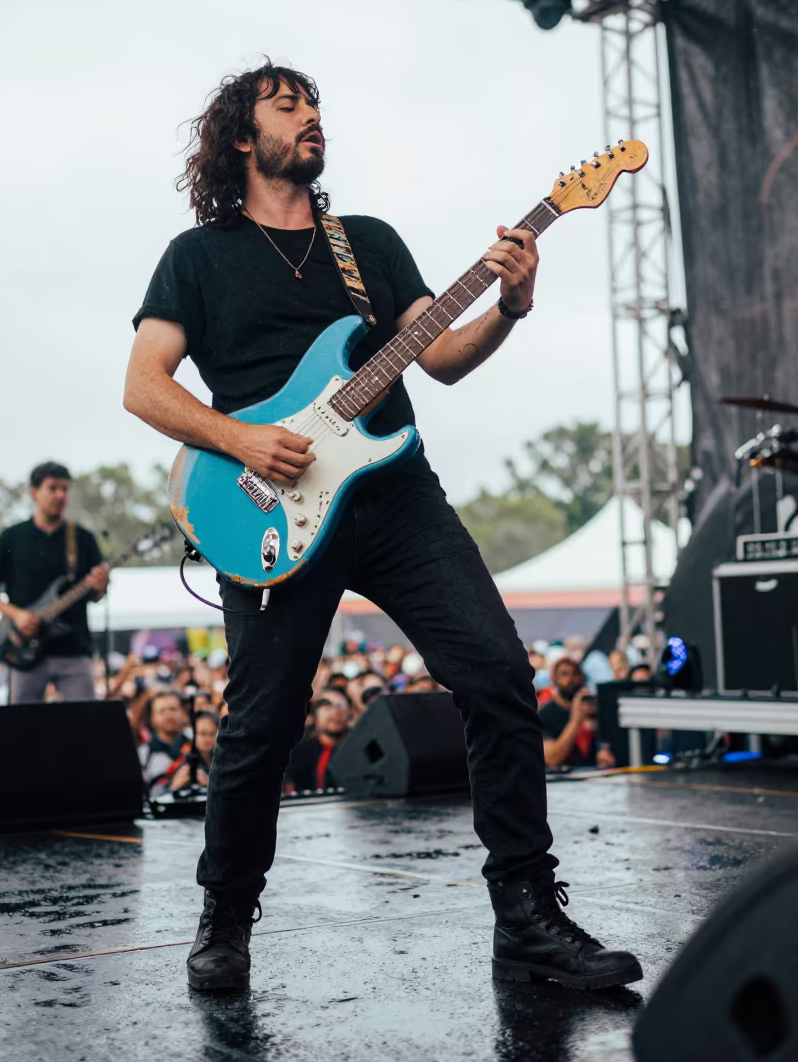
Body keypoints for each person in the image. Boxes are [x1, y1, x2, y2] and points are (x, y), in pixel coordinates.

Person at [123, 60, 641, 993]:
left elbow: (438, 357)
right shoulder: (196, 258)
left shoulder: (366, 243)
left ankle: (526, 914)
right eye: (289, 107)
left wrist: (513, 306)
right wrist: (242, 436)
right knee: (262, 725)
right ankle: (226, 916)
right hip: (270, 511)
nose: (312, 119)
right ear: (243, 137)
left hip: (397, 494)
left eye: (317, 105)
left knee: (496, 673)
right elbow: (144, 386)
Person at [0, 462, 108, 703]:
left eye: (65, 489)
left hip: (74, 648)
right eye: (53, 488)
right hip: (24, 649)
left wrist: (100, 585)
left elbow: (96, 596)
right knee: (23, 725)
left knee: (86, 724)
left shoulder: (82, 538)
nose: (61, 495)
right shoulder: (13, 537)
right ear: (34, 492)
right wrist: (16, 615)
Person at [539, 658, 616, 770]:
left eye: (575, 674)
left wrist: (603, 751)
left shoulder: (593, 710)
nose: (570, 679)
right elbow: (551, 759)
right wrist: (575, 719)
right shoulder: (545, 715)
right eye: (564, 674)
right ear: (554, 679)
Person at [284, 687, 351, 792]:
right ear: (315, 714)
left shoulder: (356, 751)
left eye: (341, 706)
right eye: (327, 707)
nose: (336, 712)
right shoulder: (298, 752)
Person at [137, 691, 188, 789]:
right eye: (162, 711)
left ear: (183, 713)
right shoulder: (143, 754)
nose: (168, 714)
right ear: (152, 718)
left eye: (173, 709)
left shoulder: (197, 747)